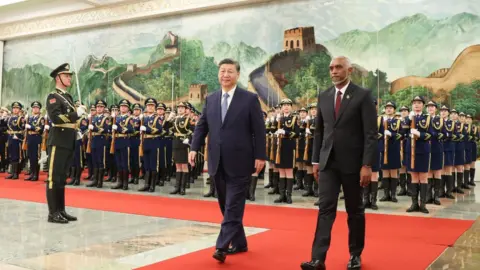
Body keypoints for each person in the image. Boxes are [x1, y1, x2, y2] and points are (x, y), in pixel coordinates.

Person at [301, 56, 376, 270]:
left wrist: (367, 165)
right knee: (325, 209)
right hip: (328, 164)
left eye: (338, 67)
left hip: (354, 165)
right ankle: (317, 259)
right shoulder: (324, 96)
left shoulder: (362, 96)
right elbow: (319, 132)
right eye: (331, 68)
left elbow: (371, 134)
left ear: (349, 70)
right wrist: (316, 160)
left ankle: (355, 255)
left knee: (355, 210)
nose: (334, 71)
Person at [188, 58, 266, 263]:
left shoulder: (249, 99)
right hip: (217, 160)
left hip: (241, 160)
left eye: (230, 71)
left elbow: (259, 130)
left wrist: (260, 155)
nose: (225, 75)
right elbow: (202, 126)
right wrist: (194, 148)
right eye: (222, 71)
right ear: (218, 74)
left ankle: (221, 246)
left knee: (233, 205)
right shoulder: (211, 99)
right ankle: (240, 242)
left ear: (237, 75)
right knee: (225, 204)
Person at [45, 63, 86, 223]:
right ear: (58, 78)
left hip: (68, 139)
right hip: (58, 140)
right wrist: (76, 114)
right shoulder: (53, 97)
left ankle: (60, 210)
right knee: (53, 177)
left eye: (70, 75)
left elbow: (70, 118)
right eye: (66, 75)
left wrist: (77, 122)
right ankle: (52, 213)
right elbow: (56, 118)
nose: (69, 78)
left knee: (62, 177)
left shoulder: (67, 97)